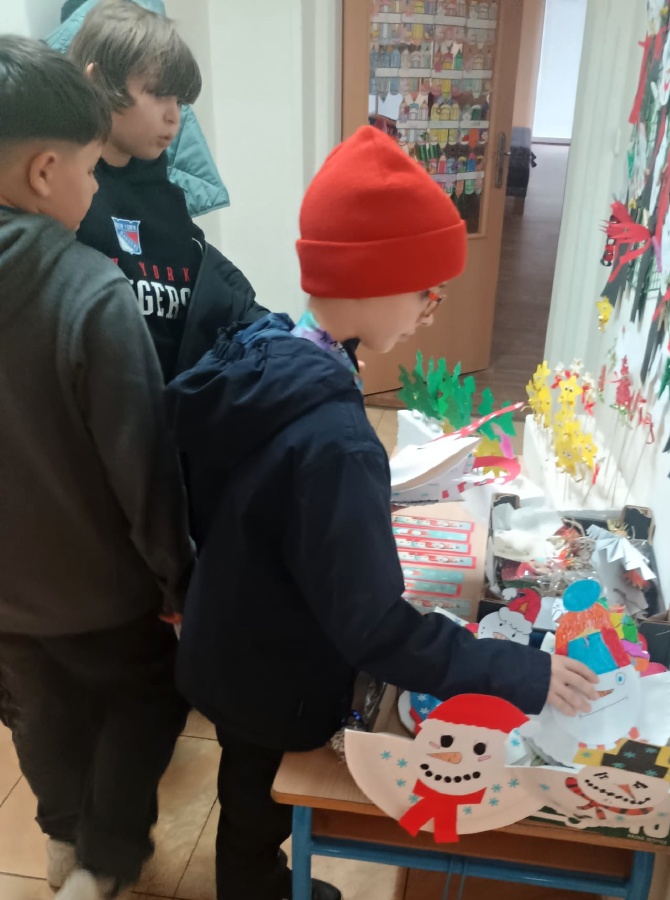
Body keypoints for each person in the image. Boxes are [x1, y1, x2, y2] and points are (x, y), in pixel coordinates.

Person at [166, 127, 600, 900]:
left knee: (245, 791)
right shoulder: (337, 442)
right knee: (259, 802)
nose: (430, 314)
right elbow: (373, 628)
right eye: (429, 292)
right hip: (277, 673)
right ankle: (255, 887)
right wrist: (518, 671)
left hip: (229, 638)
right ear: (375, 281)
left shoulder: (267, 350)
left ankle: (253, 876)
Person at [0, 36, 195, 900]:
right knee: (145, 698)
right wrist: (178, 578)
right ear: (45, 172)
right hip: (102, 593)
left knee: (37, 712)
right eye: (87, 172)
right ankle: (105, 860)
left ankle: (58, 836)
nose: (92, 190)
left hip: (6, 603)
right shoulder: (91, 292)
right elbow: (141, 466)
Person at [69, 0, 268, 382]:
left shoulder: (169, 202)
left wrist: (300, 349)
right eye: (158, 93)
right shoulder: (66, 203)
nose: (174, 115)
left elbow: (225, 300)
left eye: (178, 100)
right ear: (97, 83)